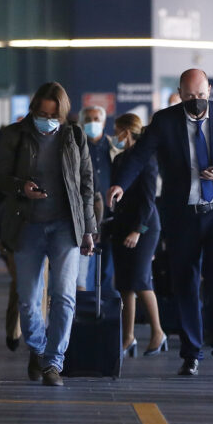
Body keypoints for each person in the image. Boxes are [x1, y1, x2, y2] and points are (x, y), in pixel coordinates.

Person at [108, 68, 213, 376]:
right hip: (182, 215)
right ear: (180, 94)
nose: (196, 100)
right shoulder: (164, 120)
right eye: (189, 96)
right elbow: (139, 155)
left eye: (201, 95)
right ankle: (191, 353)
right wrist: (120, 184)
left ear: (209, 90)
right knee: (185, 282)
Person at [0, 82, 96, 387]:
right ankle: (37, 348)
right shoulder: (15, 135)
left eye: (54, 116)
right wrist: (20, 187)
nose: (47, 121)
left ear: (63, 115)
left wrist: (89, 229)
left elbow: (86, 183)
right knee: (28, 299)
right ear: (33, 109)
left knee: (64, 295)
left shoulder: (74, 136)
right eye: (42, 114)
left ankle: (53, 362)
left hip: (65, 225)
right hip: (27, 224)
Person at [109, 113, 167, 357]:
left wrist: (138, 230)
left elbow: (148, 199)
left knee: (141, 280)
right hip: (122, 224)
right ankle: (128, 336)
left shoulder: (146, 158)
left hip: (144, 226)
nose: (115, 136)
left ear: (126, 131)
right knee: (125, 284)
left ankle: (158, 332)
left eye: (117, 131)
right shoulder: (120, 159)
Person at [79, 105, 117, 296]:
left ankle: (105, 305)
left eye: (96, 119)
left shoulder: (114, 146)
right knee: (84, 269)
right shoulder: (77, 147)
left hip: (111, 214)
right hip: (85, 215)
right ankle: (86, 304)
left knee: (108, 268)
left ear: (103, 122)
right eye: (88, 119)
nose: (92, 123)